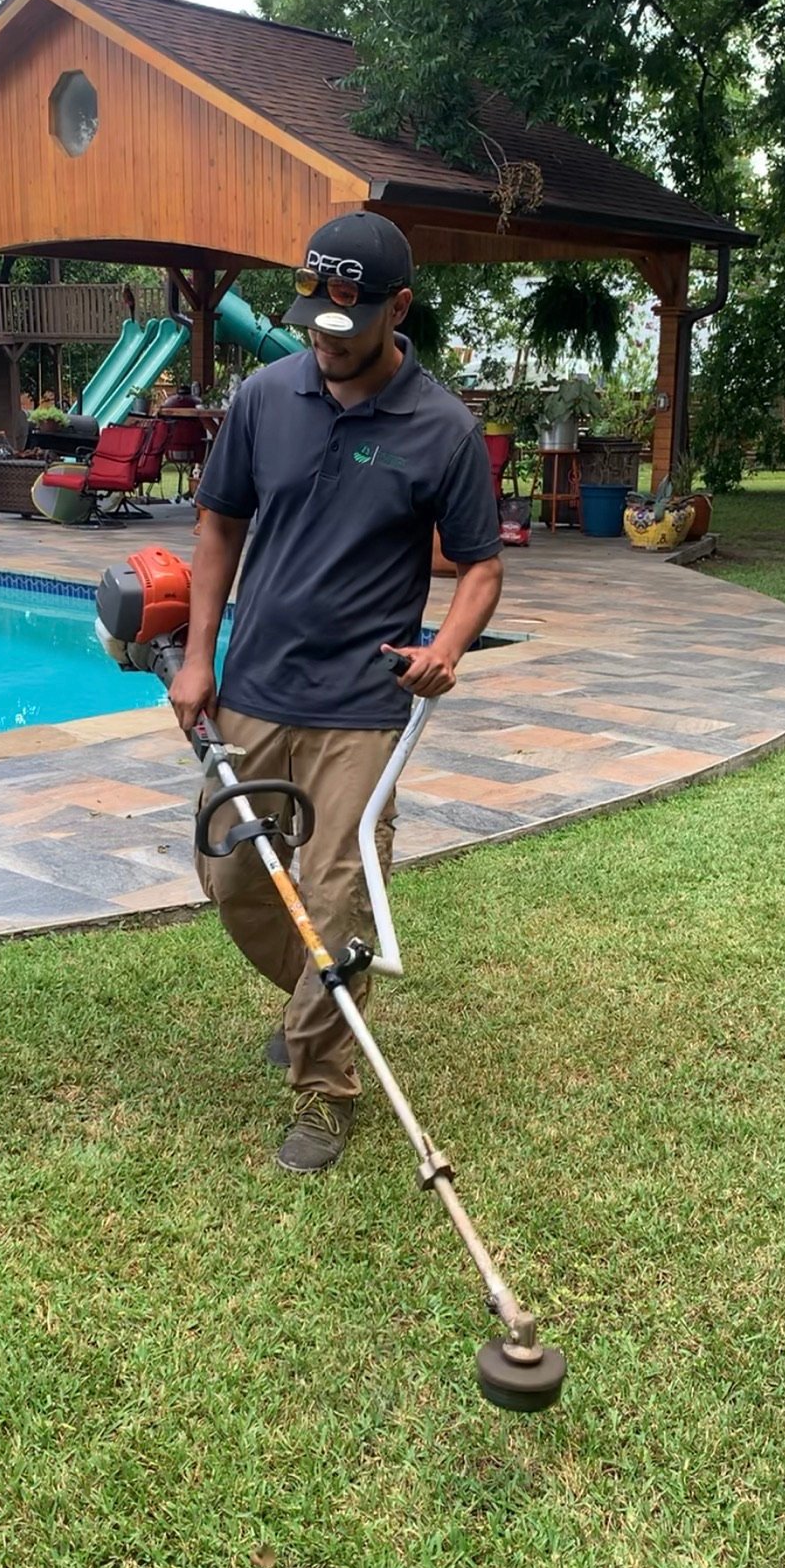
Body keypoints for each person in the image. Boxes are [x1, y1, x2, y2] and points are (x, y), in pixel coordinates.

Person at [169, 212, 503, 1174]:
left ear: (398, 308)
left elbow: (479, 569)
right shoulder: (267, 397)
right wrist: (199, 659)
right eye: (313, 317)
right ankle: (323, 992)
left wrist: (448, 643)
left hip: (361, 703)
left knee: (336, 895)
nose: (325, 339)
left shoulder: (442, 428)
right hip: (257, 685)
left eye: (347, 323)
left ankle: (323, 1086)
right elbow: (217, 527)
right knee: (234, 878)